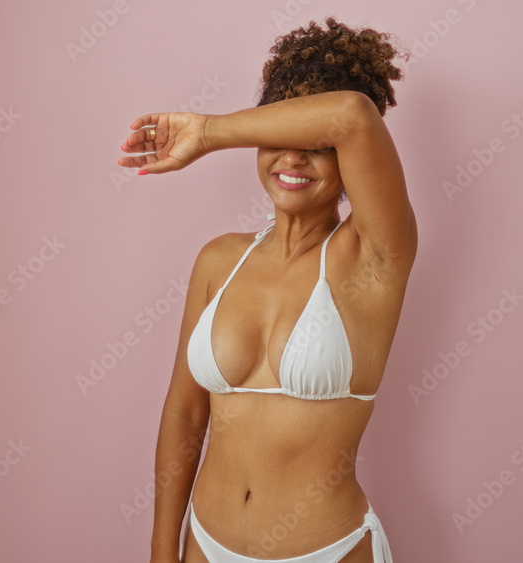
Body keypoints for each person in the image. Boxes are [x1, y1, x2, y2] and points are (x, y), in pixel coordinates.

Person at [118, 17, 416, 563]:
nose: (293, 158)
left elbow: (352, 115)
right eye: (276, 137)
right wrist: (164, 549)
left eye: (315, 145)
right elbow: (184, 414)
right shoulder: (219, 260)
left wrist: (207, 133)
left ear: (347, 160)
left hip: (328, 550)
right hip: (206, 546)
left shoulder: (374, 259)